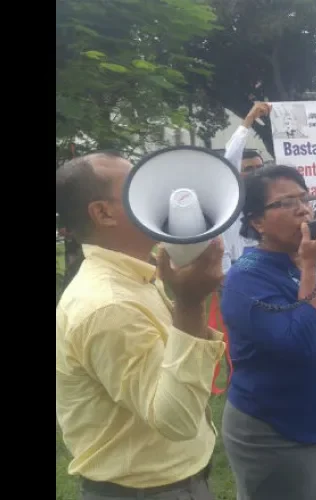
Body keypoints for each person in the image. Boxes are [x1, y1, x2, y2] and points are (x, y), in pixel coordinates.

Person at [56, 152, 226, 500]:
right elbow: (175, 420)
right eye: (138, 191)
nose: (160, 200)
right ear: (102, 212)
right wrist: (190, 303)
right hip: (147, 492)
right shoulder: (108, 305)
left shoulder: (135, 276)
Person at [219, 165, 316, 500]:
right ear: (256, 222)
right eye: (286, 203)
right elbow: (303, 345)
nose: (303, 208)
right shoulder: (245, 280)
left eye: (304, 197)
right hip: (275, 429)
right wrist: (309, 267)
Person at [221, 102, 272, 273]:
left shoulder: (271, 199)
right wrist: (250, 119)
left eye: (259, 168)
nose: (256, 173)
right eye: (248, 169)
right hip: (236, 270)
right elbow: (232, 154)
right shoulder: (229, 200)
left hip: (267, 267)